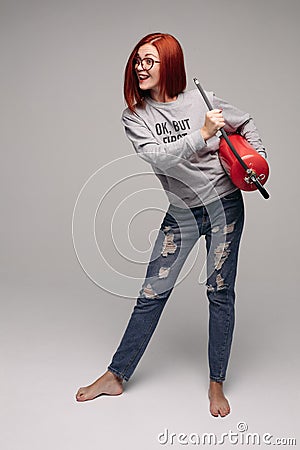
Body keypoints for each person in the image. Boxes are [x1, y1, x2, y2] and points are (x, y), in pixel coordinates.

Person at [75, 32, 267, 417]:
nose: (140, 67)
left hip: (224, 206)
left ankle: (216, 384)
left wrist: (256, 160)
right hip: (181, 211)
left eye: (150, 61)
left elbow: (245, 123)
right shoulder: (136, 116)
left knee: (219, 292)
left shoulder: (201, 100)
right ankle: (117, 375)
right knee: (151, 294)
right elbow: (160, 158)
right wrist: (203, 134)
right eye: (137, 61)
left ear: (170, 64)